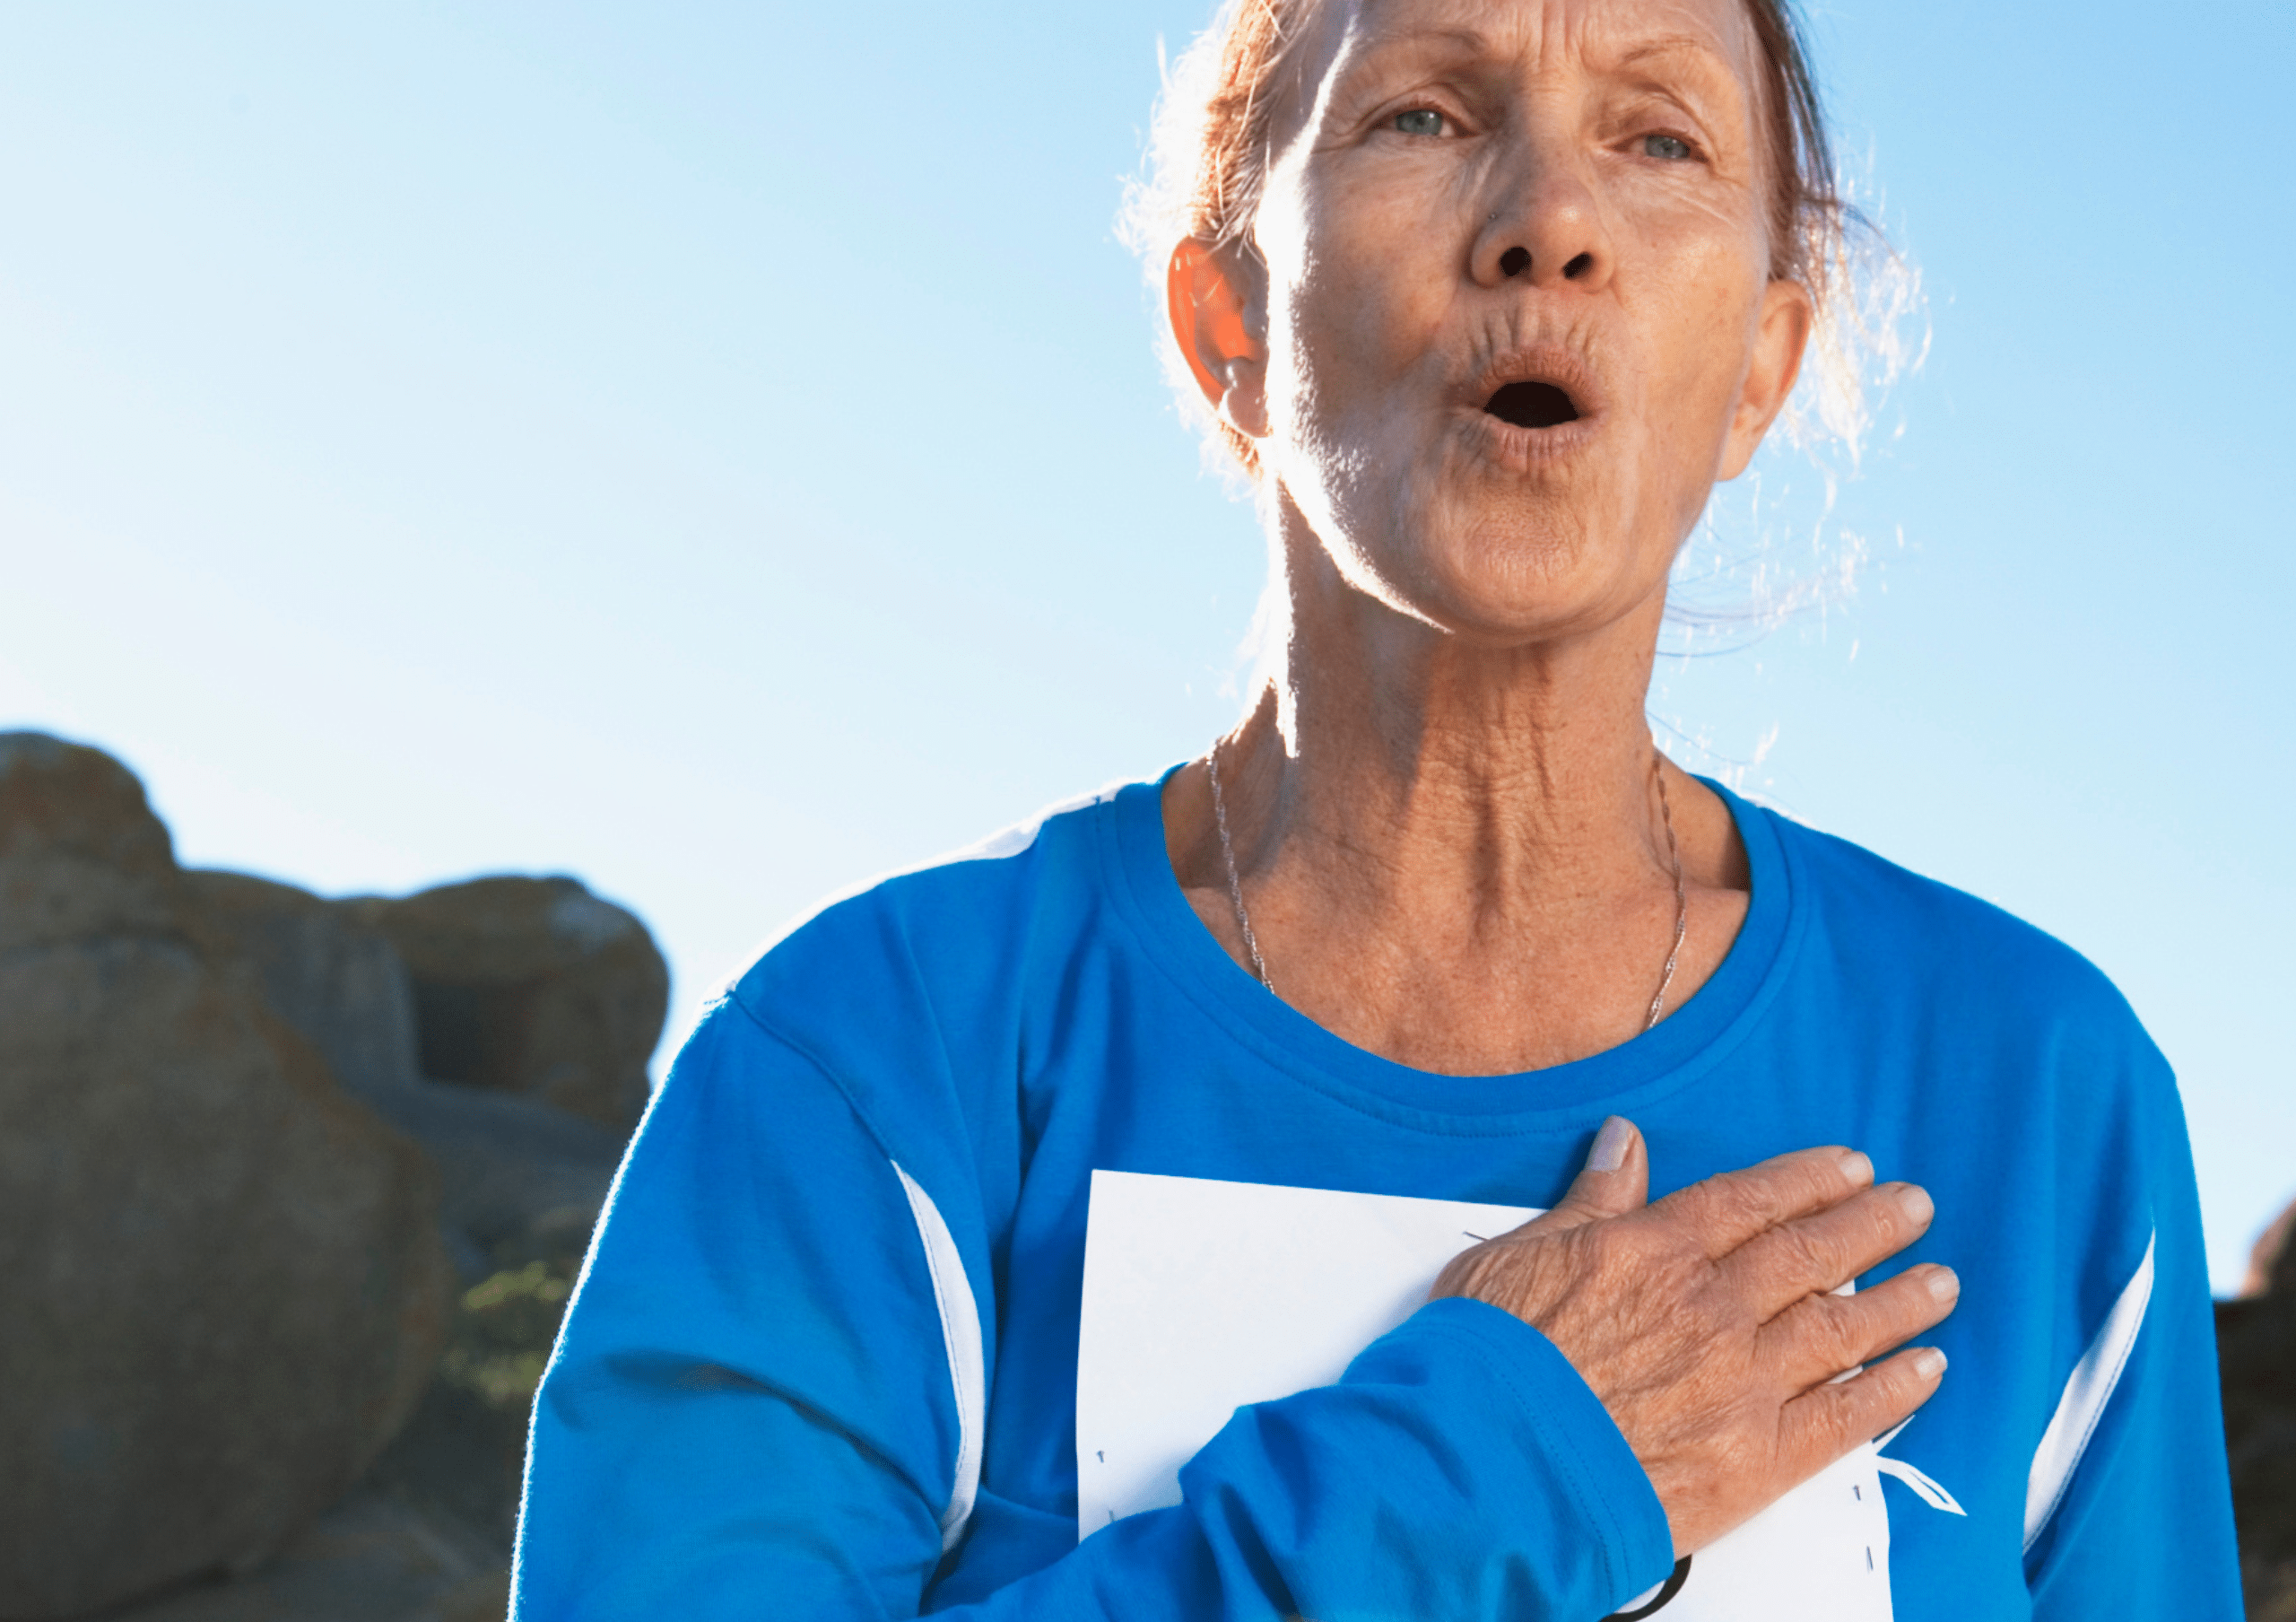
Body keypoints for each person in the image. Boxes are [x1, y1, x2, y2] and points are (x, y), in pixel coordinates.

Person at [510, 0, 2240, 1615]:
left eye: (1659, 141)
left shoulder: (2039, 1090)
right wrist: (1496, 1471)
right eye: (1425, 111)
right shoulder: (871, 1062)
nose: (1548, 219)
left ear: (1763, 370)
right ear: (1228, 324)